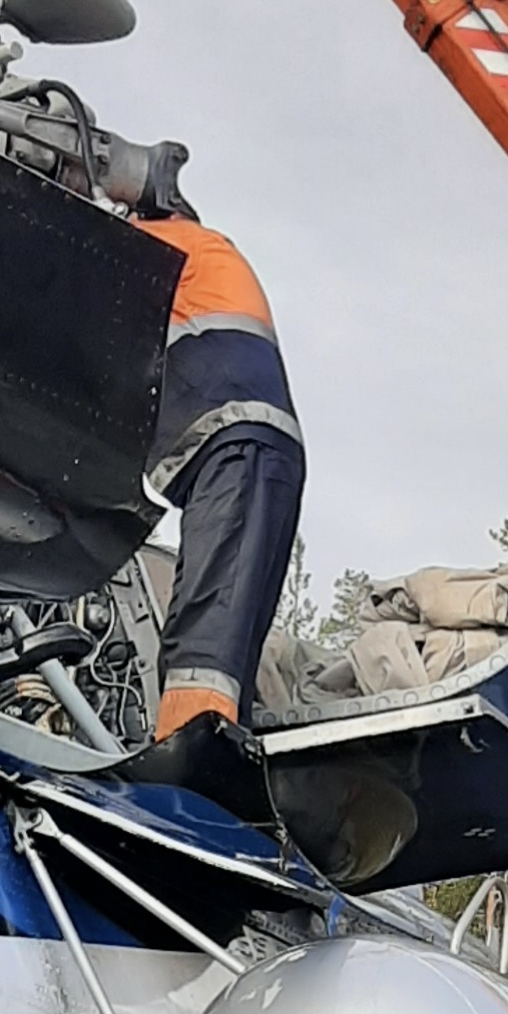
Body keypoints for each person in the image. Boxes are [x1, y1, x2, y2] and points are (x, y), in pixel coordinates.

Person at [127, 204, 304, 810]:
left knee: (205, 645)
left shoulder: (162, 244)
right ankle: (216, 776)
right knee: (225, 651)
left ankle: (184, 796)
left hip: (237, 444)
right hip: (253, 449)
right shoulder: (206, 257)